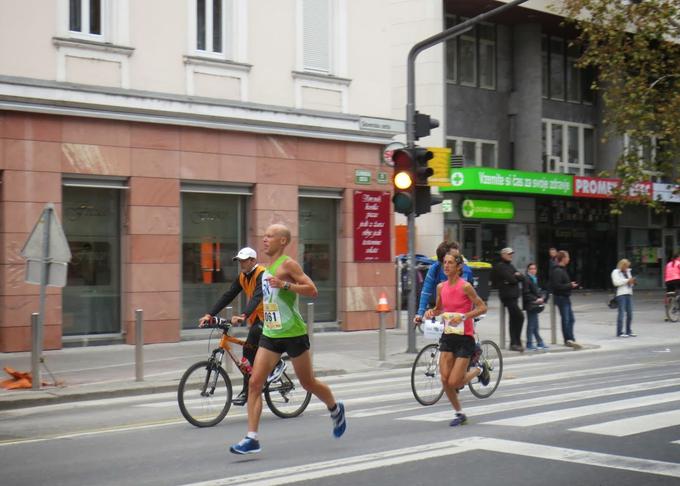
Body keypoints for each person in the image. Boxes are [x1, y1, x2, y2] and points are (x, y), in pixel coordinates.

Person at [229, 224, 346, 455]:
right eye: (264, 235)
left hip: (293, 334)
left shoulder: (288, 264)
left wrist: (285, 284)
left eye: (270, 236)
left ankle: (335, 408)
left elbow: (312, 290)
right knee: (254, 383)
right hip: (271, 334)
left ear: (283, 241)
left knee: (308, 383)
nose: (264, 239)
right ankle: (251, 438)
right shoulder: (265, 268)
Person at [424, 253, 488, 427]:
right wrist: (431, 312)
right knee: (445, 380)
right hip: (447, 337)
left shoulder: (466, 287)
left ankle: (479, 370)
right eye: (444, 263)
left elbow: (483, 307)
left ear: (459, 267)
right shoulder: (440, 287)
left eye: (450, 263)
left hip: (464, 338)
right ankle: (460, 413)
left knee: (454, 382)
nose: (446, 266)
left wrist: (464, 317)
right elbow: (439, 309)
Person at [199, 247, 264, 406]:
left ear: (253, 261)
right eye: (239, 260)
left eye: (244, 260)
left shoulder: (262, 274)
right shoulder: (243, 277)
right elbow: (228, 295)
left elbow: (257, 297)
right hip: (256, 318)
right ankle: (247, 391)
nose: (241, 263)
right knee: (247, 352)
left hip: (270, 318)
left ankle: (275, 365)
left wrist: (243, 315)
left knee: (258, 339)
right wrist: (210, 314)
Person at [413, 241, 473, 325]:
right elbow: (426, 292)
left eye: (458, 256)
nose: (459, 258)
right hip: (444, 308)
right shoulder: (434, 269)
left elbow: (462, 297)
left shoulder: (464, 271)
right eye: (454, 256)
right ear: (443, 260)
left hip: (461, 312)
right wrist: (420, 314)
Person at [492, 247, 525, 352]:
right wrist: (515, 277)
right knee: (520, 316)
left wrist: (515, 277)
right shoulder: (501, 266)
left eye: (511, 254)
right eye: (509, 254)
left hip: (514, 296)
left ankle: (514, 342)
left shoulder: (510, 266)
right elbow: (512, 279)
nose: (511, 255)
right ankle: (515, 342)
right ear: (503, 255)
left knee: (514, 319)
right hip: (507, 296)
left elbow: (522, 278)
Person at [549, 250, 582, 349]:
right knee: (566, 319)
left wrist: (570, 285)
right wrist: (569, 285)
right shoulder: (558, 270)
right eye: (567, 257)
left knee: (571, 319)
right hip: (561, 298)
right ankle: (567, 339)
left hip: (565, 297)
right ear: (563, 258)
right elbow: (557, 286)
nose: (569, 259)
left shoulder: (562, 269)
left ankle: (570, 338)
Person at [523, 262, 548, 350]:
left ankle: (539, 342)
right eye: (531, 269)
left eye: (534, 269)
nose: (533, 270)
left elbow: (538, 290)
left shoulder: (534, 279)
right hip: (531, 305)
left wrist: (542, 297)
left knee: (535, 325)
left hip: (535, 304)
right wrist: (536, 299)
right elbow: (526, 293)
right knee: (531, 325)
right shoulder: (526, 279)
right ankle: (529, 343)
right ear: (528, 270)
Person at [611, 258, 636, 338]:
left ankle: (628, 331)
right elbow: (616, 282)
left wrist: (632, 282)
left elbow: (630, 283)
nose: (627, 268)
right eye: (625, 266)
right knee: (621, 314)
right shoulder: (615, 272)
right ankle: (619, 332)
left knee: (630, 313)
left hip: (629, 293)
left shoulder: (628, 271)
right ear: (622, 265)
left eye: (628, 266)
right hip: (621, 294)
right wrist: (627, 280)